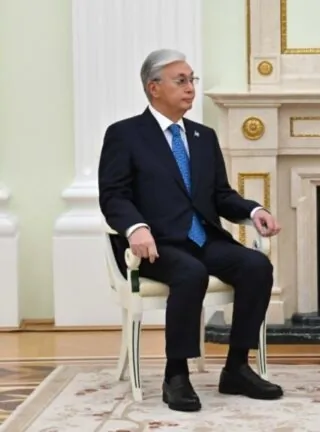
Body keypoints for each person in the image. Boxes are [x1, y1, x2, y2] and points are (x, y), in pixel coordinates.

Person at [98, 49, 283, 412]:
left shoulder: (203, 137)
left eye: (191, 80)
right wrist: (136, 227)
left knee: (256, 266)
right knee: (190, 272)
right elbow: (113, 196)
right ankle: (176, 375)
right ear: (154, 88)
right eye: (180, 81)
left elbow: (221, 195)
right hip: (154, 245)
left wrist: (254, 210)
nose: (190, 88)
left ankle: (236, 368)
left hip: (203, 239)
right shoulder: (125, 135)